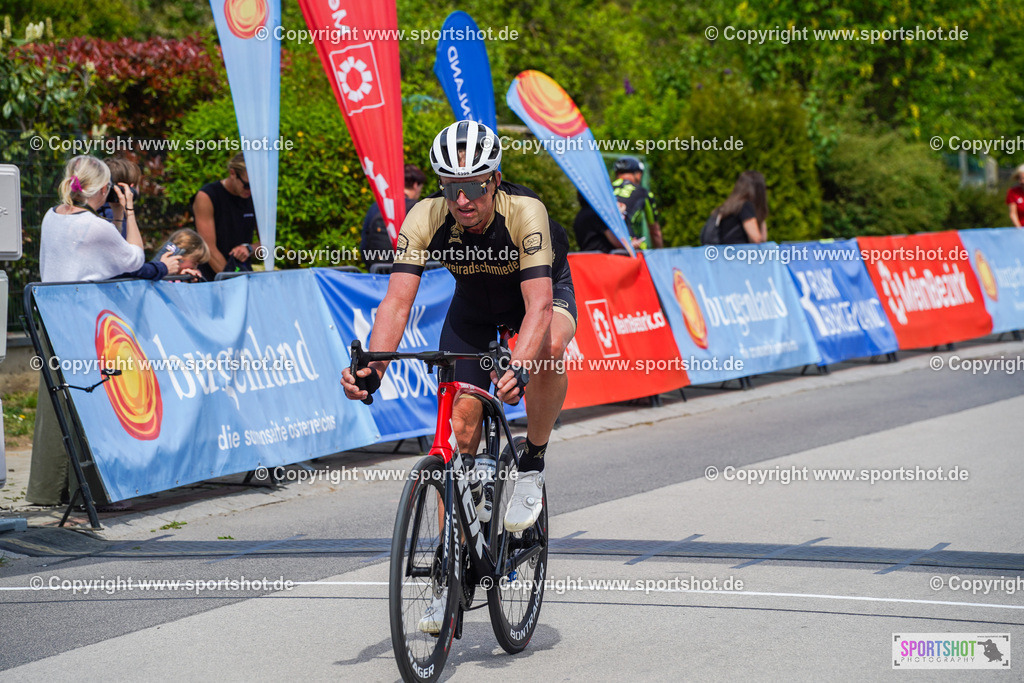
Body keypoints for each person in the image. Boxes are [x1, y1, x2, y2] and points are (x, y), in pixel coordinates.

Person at [341, 120, 576, 577]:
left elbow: (540, 306)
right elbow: (396, 302)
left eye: (473, 187)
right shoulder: (425, 216)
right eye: (451, 188)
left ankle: (532, 463)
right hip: (473, 309)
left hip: (538, 297)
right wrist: (374, 370)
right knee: (461, 428)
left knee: (548, 348)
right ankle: (457, 558)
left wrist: (520, 367)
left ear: (495, 180)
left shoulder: (526, 211)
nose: (462, 200)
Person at [28, 156, 148, 506]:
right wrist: (129, 212)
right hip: (81, 324)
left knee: (56, 405)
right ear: (105, 188)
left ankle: (49, 489)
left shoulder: (52, 216)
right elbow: (134, 259)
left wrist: (116, 216)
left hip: (51, 319)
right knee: (91, 403)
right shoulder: (95, 227)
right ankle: (95, 491)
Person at [192, 152, 259, 279]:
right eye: (247, 185)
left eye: (255, 186)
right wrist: (231, 280)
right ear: (232, 173)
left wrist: (249, 248)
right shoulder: (207, 196)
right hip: (210, 276)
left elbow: (266, 246)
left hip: (241, 273)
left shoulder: (256, 197)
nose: (250, 191)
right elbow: (209, 249)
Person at [360, 164, 427, 269]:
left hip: (379, 272)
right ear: (415, 185)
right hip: (412, 272)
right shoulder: (420, 208)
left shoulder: (377, 206)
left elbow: (364, 246)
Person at [701, 170, 769, 245]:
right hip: (738, 250)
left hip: (724, 249)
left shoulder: (731, 206)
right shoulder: (745, 206)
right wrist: (761, 210)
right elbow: (757, 238)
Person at [611, 156, 663, 248]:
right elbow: (655, 232)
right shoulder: (644, 193)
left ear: (617, 174)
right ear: (638, 174)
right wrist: (660, 253)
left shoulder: (607, 189)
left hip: (603, 240)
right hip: (627, 242)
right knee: (642, 246)